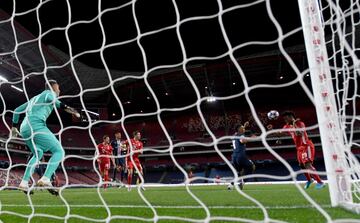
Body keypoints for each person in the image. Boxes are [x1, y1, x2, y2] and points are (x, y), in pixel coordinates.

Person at [11, 79, 79, 195]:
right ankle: (46, 178)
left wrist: (13, 128)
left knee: (38, 153)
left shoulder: (34, 98)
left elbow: (17, 111)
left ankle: (24, 182)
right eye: (58, 88)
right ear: (52, 87)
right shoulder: (49, 93)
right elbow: (55, 101)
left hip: (24, 128)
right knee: (59, 151)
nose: (59, 90)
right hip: (36, 125)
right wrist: (71, 110)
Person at [281, 111, 325, 189]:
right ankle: (309, 180)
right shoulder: (286, 126)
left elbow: (299, 134)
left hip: (306, 146)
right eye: (284, 119)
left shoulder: (300, 124)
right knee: (302, 166)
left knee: (307, 164)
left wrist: (294, 124)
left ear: (291, 117)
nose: (285, 120)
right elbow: (280, 133)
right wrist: (270, 130)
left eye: (286, 118)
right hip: (299, 148)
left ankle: (320, 182)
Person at [228, 122, 256, 190]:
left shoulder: (235, 135)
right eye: (242, 128)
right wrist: (251, 137)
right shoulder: (241, 135)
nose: (244, 129)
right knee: (252, 166)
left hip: (234, 157)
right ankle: (243, 182)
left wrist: (244, 126)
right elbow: (242, 140)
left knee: (239, 173)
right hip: (240, 156)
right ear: (239, 129)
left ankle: (231, 185)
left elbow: (239, 133)